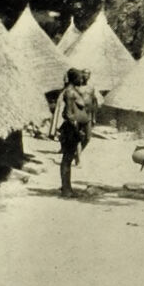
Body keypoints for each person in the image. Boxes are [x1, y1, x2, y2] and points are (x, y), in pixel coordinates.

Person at [57, 68, 88, 197]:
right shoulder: (70, 92)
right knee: (67, 158)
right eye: (79, 77)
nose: (81, 79)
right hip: (71, 129)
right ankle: (66, 189)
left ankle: (67, 187)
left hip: (74, 128)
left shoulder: (73, 90)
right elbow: (69, 114)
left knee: (68, 158)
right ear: (73, 78)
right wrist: (77, 130)